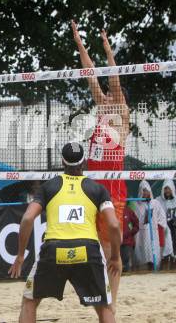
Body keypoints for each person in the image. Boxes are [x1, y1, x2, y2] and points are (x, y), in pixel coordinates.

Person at [9, 142, 121, 323]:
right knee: (104, 306)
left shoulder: (48, 187)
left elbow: (27, 219)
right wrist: (115, 257)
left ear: (62, 162)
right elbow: (114, 226)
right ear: (83, 163)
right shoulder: (97, 189)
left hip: (54, 250)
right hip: (88, 250)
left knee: (29, 302)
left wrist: (21, 255)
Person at [72, 20, 129, 311]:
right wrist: (79, 42)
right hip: (92, 187)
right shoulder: (102, 108)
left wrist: (108, 50)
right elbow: (90, 74)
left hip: (113, 191)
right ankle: (101, 295)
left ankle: (112, 303)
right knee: (92, 249)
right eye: (102, 98)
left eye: (109, 96)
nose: (104, 98)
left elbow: (112, 79)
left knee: (110, 251)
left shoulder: (120, 113)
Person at [133, 180, 167, 270]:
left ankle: (153, 267)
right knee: (142, 253)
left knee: (153, 253)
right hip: (141, 233)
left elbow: (162, 217)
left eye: (147, 190)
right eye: (143, 191)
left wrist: (159, 226)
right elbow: (134, 219)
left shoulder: (155, 203)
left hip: (153, 231)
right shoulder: (136, 204)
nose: (145, 193)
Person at [155, 179, 176, 269]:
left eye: (169, 189)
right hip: (162, 227)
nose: (167, 191)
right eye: (165, 189)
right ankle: (163, 260)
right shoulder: (158, 200)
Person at [120, 205, 139, 272]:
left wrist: (130, 233)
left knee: (126, 260)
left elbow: (136, 224)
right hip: (114, 241)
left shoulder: (128, 211)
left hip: (126, 241)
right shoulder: (110, 211)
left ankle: (127, 273)